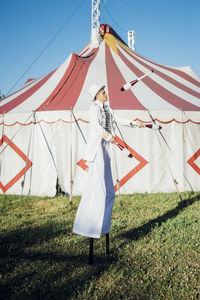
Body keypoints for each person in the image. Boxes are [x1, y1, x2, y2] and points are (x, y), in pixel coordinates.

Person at [73, 83, 144, 239]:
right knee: (99, 188)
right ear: (97, 95)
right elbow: (96, 127)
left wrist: (134, 123)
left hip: (106, 147)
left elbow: (117, 120)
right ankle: (90, 225)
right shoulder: (94, 109)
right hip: (98, 147)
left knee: (109, 190)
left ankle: (103, 226)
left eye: (105, 92)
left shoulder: (108, 109)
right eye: (103, 92)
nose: (106, 94)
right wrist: (109, 136)